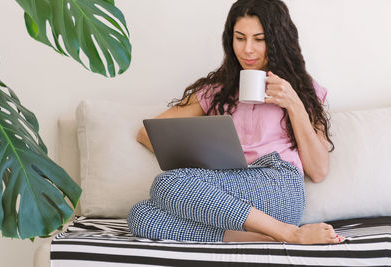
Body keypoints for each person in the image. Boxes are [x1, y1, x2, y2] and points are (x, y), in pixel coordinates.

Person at [127, 0, 344, 244]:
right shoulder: (216, 91)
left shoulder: (301, 89)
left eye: (259, 39)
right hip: (226, 190)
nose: (247, 49)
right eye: (240, 38)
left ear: (277, 40)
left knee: (166, 183)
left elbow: (318, 170)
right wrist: (199, 160)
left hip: (278, 187)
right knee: (140, 215)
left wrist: (293, 102)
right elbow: (147, 133)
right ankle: (257, 237)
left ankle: (289, 233)